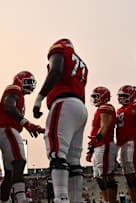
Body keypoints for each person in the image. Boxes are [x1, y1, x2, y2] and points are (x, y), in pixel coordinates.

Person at [33, 38, 88, 203]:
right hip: (80, 107)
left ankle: (61, 198)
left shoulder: (60, 51)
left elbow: (55, 71)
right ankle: (75, 200)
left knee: (57, 154)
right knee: (74, 161)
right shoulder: (83, 65)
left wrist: (39, 98)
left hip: (63, 102)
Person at [0, 71, 44, 203]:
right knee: (20, 161)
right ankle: (21, 198)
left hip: (6, 130)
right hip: (7, 129)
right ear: (19, 80)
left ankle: (4, 201)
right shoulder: (14, 89)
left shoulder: (19, 95)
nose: (30, 85)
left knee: (10, 172)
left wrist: (33, 128)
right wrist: (27, 124)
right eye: (27, 82)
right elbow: (9, 107)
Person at [87, 87, 117, 203]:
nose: (94, 99)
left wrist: (98, 138)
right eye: (93, 97)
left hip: (105, 144)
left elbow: (105, 126)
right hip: (99, 145)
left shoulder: (106, 107)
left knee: (106, 175)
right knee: (99, 177)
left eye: (96, 96)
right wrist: (91, 149)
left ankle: (111, 201)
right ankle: (107, 200)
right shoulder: (100, 109)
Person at [116, 85, 136, 203]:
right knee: (128, 176)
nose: (122, 98)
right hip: (123, 144)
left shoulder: (134, 106)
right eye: (120, 96)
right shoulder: (120, 110)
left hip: (134, 141)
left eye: (125, 96)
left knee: (135, 175)